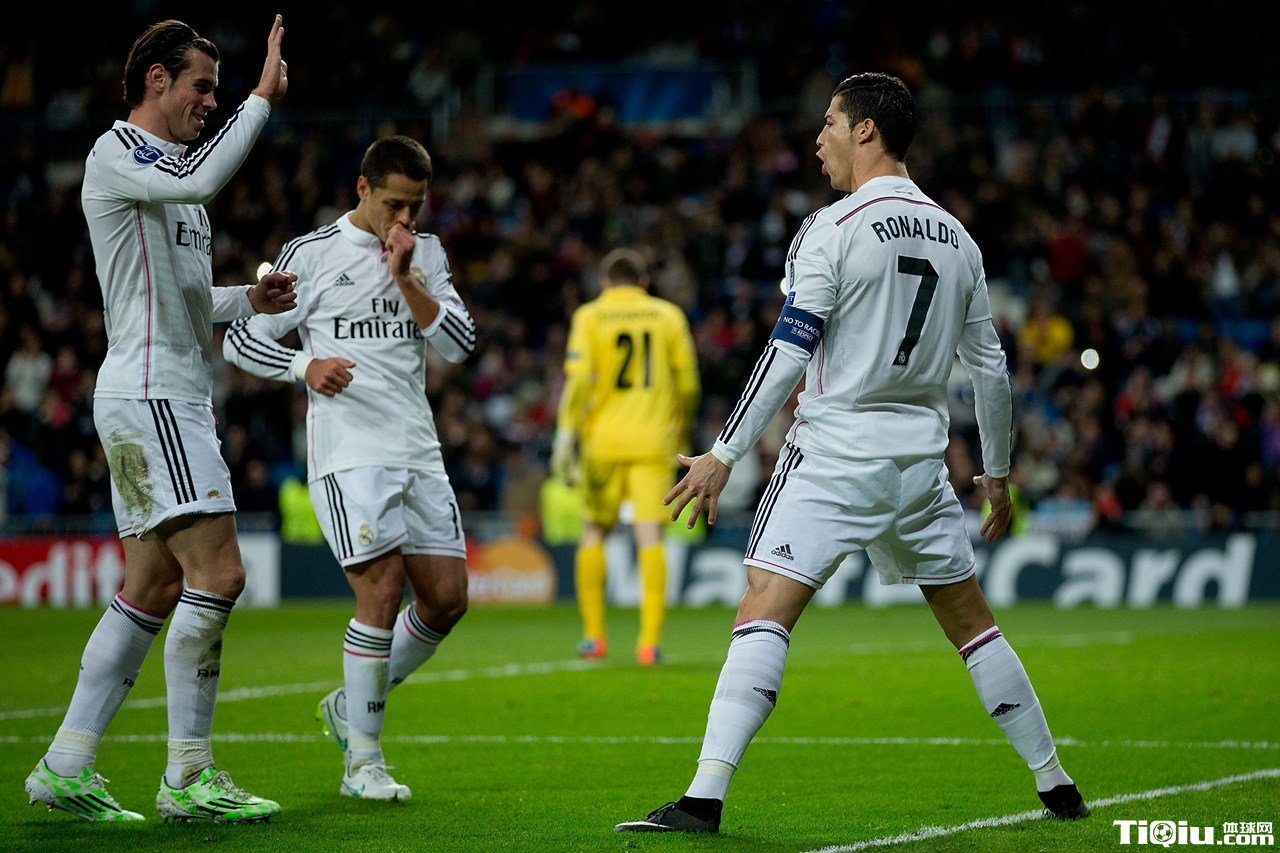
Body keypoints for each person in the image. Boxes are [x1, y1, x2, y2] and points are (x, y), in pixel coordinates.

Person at [615, 72, 1088, 834]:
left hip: (835, 455)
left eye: (830, 123)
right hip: (919, 465)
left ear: (866, 130)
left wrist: (724, 451)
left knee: (764, 607)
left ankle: (703, 796)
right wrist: (997, 475)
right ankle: (1055, 780)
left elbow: (788, 350)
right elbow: (990, 371)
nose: (818, 140)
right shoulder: (960, 240)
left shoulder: (832, 227)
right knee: (972, 623)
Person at [24, 16, 293, 823]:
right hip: (153, 396)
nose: (210, 101)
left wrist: (249, 299)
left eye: (218, 90)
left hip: (155, 393)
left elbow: (182, 299)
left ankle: (65, 763)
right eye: (201, 86)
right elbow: (202, 181)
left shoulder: (169, 178)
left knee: (152, 585)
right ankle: (188, 775)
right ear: (156, 80)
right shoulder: (121, 153)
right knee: (221, 574)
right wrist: (259, 100)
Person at [222, 134, 475, 801]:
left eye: (416, 205)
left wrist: (406, 278)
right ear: (362, 189)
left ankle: (347, 705)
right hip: (349, 451)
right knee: (382, 590)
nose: (405, 218)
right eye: (395, 203)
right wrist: (305, 365)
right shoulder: (311, 254)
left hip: (417, 449)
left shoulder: (427, 253)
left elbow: (460, 343)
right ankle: (363, 762)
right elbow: (242, 339)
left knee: (447, 600)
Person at [550, 248, 700, 665]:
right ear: (644, 282)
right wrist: (683, 428)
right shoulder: (668, 316)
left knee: (594, 532)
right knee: (650, 536)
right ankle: (649, 643)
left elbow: (579, 381)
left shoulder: (589, 316)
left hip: (603, 442)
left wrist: (565, 435)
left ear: (604, 281)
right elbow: (688, 384)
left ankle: (593, 637)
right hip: (654, 441)